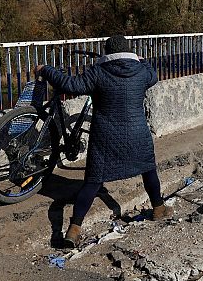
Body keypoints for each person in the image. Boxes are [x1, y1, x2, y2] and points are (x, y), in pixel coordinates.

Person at [35, 36, 172, 248]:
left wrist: (46, 70)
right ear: (129, 51)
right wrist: (142, 60)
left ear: (107, 53)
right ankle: (159, 208)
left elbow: (70, 84)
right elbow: (153, 75)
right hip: (138, 134)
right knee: (148, 170)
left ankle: (74, 229)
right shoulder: (143, 72)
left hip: (106, 137)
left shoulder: (98, 72)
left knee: (93, 182)